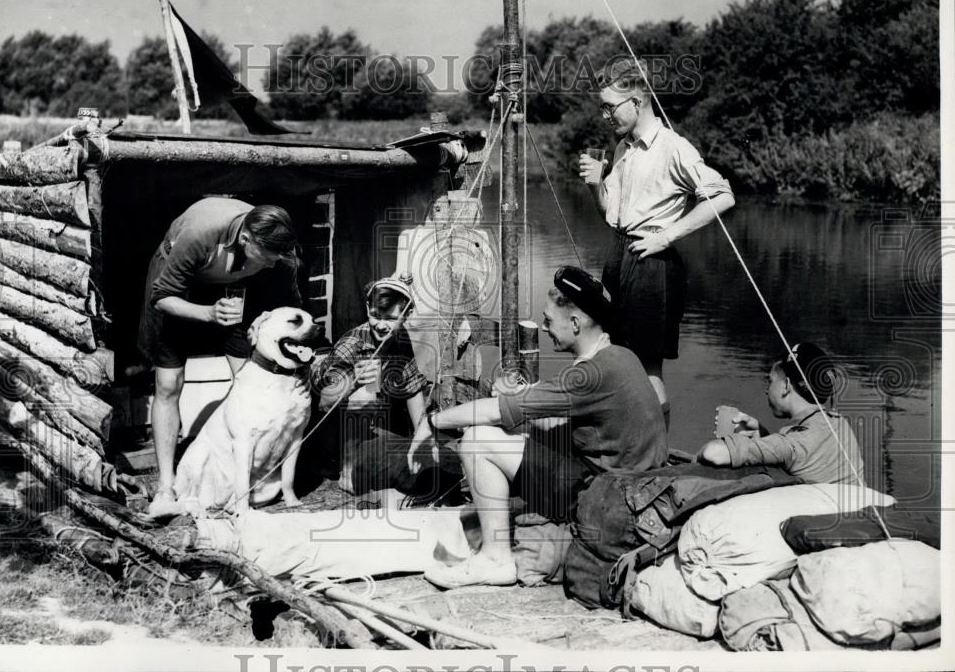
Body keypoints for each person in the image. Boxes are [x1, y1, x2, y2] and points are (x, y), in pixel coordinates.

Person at [409, 266, 668, 589]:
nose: (544, 328)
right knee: (521, 432)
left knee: (477, 439)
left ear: (575, 324)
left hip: (609, 503)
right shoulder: (621, 357)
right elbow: (562, 416)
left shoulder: (589, 374)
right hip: (636, 494)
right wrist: (523, 401)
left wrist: (432, 421)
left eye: (548, 321)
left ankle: (494, 559)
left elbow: (495, 413)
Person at [579, 58, 735, 428]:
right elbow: (611, 216)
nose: (605, 116)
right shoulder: (622, 148)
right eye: (601, 108)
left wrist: (665, 236)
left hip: (652, 265)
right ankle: (629, 448)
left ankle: (655, 459)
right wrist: (593, 185)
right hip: (621, 255)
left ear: (637, 100)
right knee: (617, 356)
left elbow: (722, 195)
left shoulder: (673, 147)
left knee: (647, 366)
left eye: (610, 107)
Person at [140, 198, 302, 517]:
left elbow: (288, 309)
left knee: (248, 378)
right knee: (169, 384)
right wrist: (208, 313)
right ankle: (166, 485)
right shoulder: (200, 233)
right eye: (266, 257)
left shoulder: (278, 256)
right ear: (246, 239)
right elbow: (162, 297)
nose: (272, 264)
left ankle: (235, 476)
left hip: (234, 290)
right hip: (176, 291)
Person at [310, 274, 462, 505]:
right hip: (330, 432)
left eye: (390, 318)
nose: (381, 325)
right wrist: (354, 379)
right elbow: (324, 402)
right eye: (374, 316)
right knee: (365, 396)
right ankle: (346, 469)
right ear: (367, 308)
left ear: (407, 315)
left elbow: (412, 390)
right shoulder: (353, 343)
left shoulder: (400, 339)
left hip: (369, 428)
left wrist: (420, 439)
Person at [697, 342, 865, 486]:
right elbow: (803, 455)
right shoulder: (840, 424)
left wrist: (734, 442)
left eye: (770, 381)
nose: (766, 390)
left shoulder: (794, 443)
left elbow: (713, 453)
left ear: (786, 385)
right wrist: (763, 436)